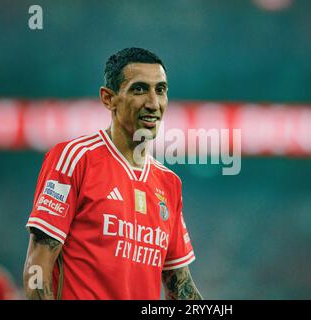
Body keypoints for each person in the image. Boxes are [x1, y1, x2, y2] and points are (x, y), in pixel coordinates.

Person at [23, 47, 202, 300]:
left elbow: (180, 286)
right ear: (109, 99)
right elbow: (36, 270)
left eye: (160, 90)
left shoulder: (169, 183)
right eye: (139, 89)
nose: (153, 103)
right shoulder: (74, 159)